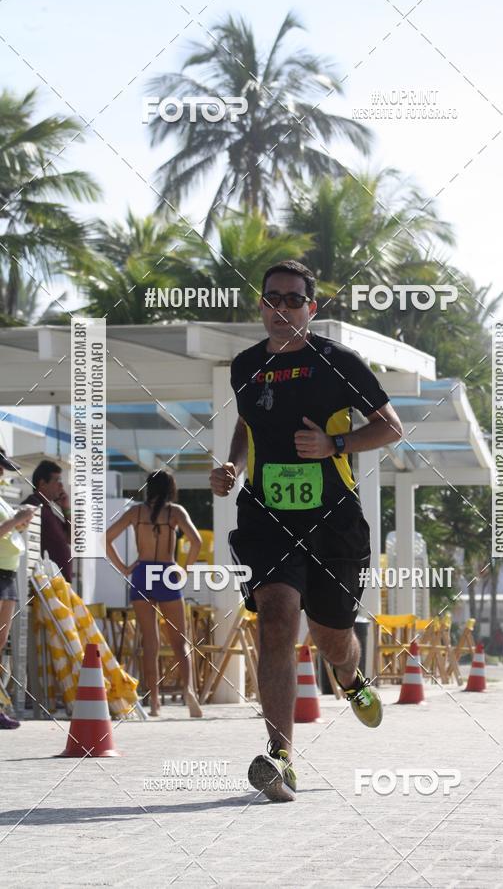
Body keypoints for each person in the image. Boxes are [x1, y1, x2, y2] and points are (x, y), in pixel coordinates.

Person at [210, 260, 404, 802]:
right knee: (276, 616)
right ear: (261, 306)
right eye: (272, 298)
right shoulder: (246, 365)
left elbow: (390, 426)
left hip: (334, 523)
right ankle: (281, 756)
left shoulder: (338, 363)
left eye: (293, 299)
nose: (281, 308)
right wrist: (233, 466)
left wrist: (335, 446)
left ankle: (349, 678)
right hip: (268, 519)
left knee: (331, 637)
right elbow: (248, 424)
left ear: (311, 308)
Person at [105, 470, 203, 717]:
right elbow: (197, 542)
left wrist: (125, 568)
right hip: (167, 573)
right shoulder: (176, 512)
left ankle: (155, 701)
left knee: (150, 643)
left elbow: (106, 538)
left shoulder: (135, 512)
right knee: (180, 641)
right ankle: (189, 690)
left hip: (142, 573)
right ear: (171, 488)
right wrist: (184, 570)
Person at [0, 447, 36, 728]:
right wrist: (16, 520)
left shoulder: (2, 501)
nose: (2, 473)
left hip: (8, 572)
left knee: (0, 645)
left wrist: (20, 523)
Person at [22, 460, 72, 582]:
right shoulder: (32, 506)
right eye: (57, 481)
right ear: (42, 483)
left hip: (58, 586)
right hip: (45, 587)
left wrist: (66, 509)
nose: (61, 486)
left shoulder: (47, 510)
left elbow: (71, 538)